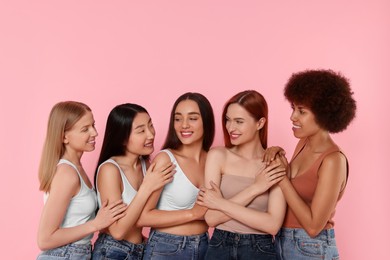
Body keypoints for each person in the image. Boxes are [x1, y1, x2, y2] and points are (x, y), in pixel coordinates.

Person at [267, 69, 356, 259]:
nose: (293, 117)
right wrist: (276, 156)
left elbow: (314, 226)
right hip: (282, 241)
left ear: (324, 114)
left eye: (302, 111)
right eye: (293, 108)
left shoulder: (333, 160)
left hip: (311, 247)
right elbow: (290, 195)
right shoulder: (303, 144)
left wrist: (282, 179)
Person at [196, 90, 287, 260]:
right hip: (219, 246)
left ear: (260, 123)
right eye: (228, 120)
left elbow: (272, 225)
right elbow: (211, 218)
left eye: (239, 121)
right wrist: (256, 188)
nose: (231, 128)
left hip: (260, 249)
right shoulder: (217, 156)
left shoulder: (274, 162)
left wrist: (220, 203)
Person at [37, 101, 127, 260]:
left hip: (76, 254)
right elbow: (45, 239)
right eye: (85, 129)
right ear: (64, 137)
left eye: (93, 125)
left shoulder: (76, 168)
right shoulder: (66, 174)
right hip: (64, 255)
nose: (94, 133)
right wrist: (95, 224)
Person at [92, 103, 175, 260]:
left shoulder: (146, 166)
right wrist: (146, 188)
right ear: (122, 138)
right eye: (141, 131)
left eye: (151, 126)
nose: (150, 134)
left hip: (140, 250)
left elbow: (148, 214)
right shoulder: (110, 170)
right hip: (112, 251)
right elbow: (117, 231)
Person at [137, 92, 215, 260]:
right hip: (167, 248)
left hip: (205, 246)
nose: (184, 125)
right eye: (178, 118)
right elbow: (143, 217)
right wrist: (192, 214)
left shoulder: (214, 159)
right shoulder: (166, 160)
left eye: (192, 118)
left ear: (206, 121)